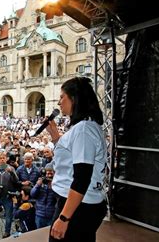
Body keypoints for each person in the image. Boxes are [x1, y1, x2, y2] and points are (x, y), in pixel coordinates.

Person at [45, 77, 107, 241]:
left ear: (74, 98)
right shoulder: (84, 127)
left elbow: (82, 177)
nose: (59, 102)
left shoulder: (84, 130)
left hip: (77, 208)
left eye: (62, 97)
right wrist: (55, 137)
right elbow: (71, 160)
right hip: (78, 205)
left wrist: (65, 218)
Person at [31, 163, 56, 229]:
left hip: (51, 215)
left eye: (51, 174)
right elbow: (32, 194)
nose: (49, 176)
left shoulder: (56, 185)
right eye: (47, 174)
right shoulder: (42, 182)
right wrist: (37, 185)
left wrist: (53, 187)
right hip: (40, 214)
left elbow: (58, 199)